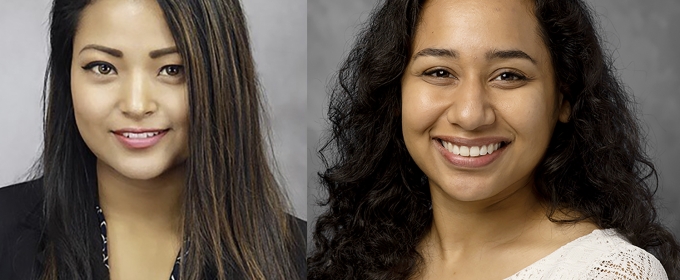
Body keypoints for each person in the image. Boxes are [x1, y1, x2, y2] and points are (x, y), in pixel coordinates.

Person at [308, 0, 680, 279]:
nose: (470, 115)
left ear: (564, 98)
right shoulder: (357, 256)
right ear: (396, 93)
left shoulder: (611, 273)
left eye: (508, 76)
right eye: (439, 72)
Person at [0, 0, 305, 279]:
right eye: (103, 67)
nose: (136, 105)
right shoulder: (6, 228)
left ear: (222, 79)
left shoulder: (304, 256)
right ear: (67, 76)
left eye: (172, 70)